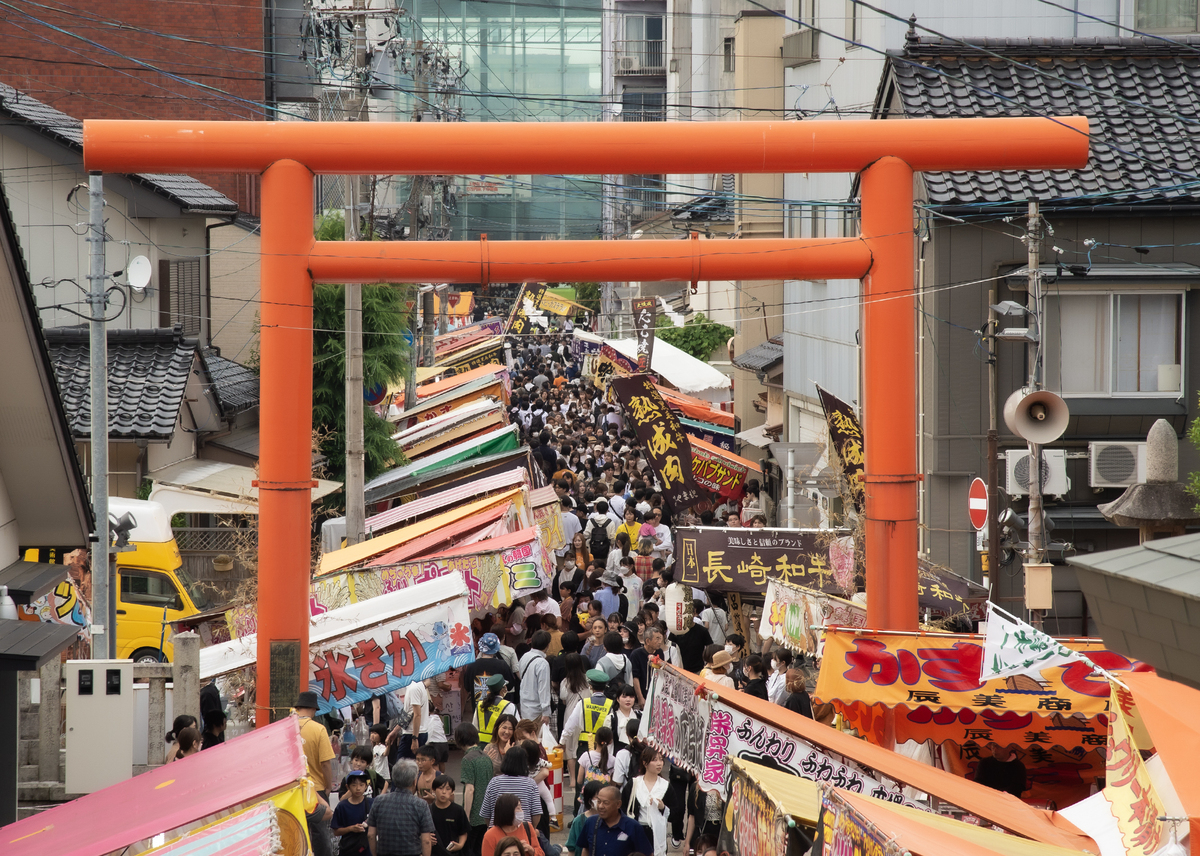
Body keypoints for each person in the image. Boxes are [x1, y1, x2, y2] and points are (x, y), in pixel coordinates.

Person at [297, 689, 337, 856]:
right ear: (313, 709)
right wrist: (328, 786)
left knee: (297, 829)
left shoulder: (286, 726)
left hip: (293, 788)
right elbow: (326, 763)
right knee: (320, 832)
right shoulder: (318, 729)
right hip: (316, 789)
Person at [369, 759, 436, 856]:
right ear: (414, 781)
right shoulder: (421, 804)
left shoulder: (379, 801)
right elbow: (426, 840)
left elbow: (371, 835)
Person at [560, 670, 614, 787]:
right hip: (603, 747)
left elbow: (570, 724)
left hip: (584, 746)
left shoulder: (583, 703)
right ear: (605, 687)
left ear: (590, 686)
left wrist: (562, 741)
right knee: (602, 781)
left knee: (582, 783)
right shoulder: (610, 705)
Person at [454, 723, 494, 856]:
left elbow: (470, 789)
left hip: (474, 815)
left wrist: (466, 815)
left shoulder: (467, 759)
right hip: (487, 813)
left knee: (468, 850)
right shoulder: (486, 757)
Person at [624, 747, 673, 856]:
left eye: (661, 759)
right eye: (655, 760)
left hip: (657, 832)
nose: (659, 763)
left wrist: (663, 808)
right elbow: (623, 808)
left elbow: (675, 813)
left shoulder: (665, 786)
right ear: (645, 763)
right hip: (637, 830)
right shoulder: (634, 783)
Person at [579, 785, 652, 856]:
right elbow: (586, 849)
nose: (600, 806)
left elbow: (647, 853)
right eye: (598, 801)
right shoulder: (591, 822)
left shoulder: (633, 826)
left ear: (618, 804)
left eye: (606, 803)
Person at [480, 747, 543, 829]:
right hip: (523, 831)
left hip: (498, 831)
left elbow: (486, 813)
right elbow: (536, 813)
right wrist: (532, 828)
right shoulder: (530, 783)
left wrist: (492, 828)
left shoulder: (494, 782)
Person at [460, 633, 518, 710]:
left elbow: (467, 687)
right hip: (498, 709)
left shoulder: (471, 666)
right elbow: (510, 686)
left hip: (478, 710)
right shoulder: (502, 665)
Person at [333, 770, 374, 856]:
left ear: (366, 786)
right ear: (348, 787)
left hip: (366, 849)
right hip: (348, 849)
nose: (358, 788)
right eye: (354, 785)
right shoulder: (342, 806)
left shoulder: (372, 803)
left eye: (361, 785)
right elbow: (336, 831)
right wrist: (351, 828)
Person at [474, 674, 519, 751]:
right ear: (503, 689)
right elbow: (518, 727)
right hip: (498, 746)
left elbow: (474, 726)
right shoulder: (509, 706)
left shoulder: (480, 704)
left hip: (479, 745)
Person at [575, 726, 615, 811]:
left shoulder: (586, 756)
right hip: (605, 801)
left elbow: (579, 780)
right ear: (610, 741)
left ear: (595, 739)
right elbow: (613, 784)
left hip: (588, 801)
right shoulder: (613, 760)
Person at [518, 631, 552, 725]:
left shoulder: (524, 656)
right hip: (537, 710)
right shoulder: (542, 663)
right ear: (547, 645)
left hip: (524, 706)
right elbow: (543, 688)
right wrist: (546, 712)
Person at [430, 774, 470, 855]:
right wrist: (426, 839)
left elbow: (464, 831)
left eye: (448, 789)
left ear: (452, 791)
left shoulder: (458, 810)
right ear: (433, 790)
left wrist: (460, 845)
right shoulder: (428, 810)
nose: (444, 792)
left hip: (452, 852)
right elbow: (419, 832)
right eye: (440, 788)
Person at [565, 781, 605, 856]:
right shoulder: (579, 821)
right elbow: (571, 848)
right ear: (589, 800)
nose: (601, 802)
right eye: (597, 797)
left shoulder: (609, 820)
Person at [628, 625, 661, 707]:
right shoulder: (636, 654)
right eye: (657, 638)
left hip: (656, 696)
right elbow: (635, 677)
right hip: (642, 695)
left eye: (660, 638)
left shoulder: (660, 653)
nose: (660, 641)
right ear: (648, 641)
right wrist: (640, 697)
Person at [605, 685, 638, 750]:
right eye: (624, 697)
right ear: (617, 699)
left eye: (631, 697)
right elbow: (607, 744)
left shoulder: (639, 716)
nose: (628, 700)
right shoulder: (611, 718)